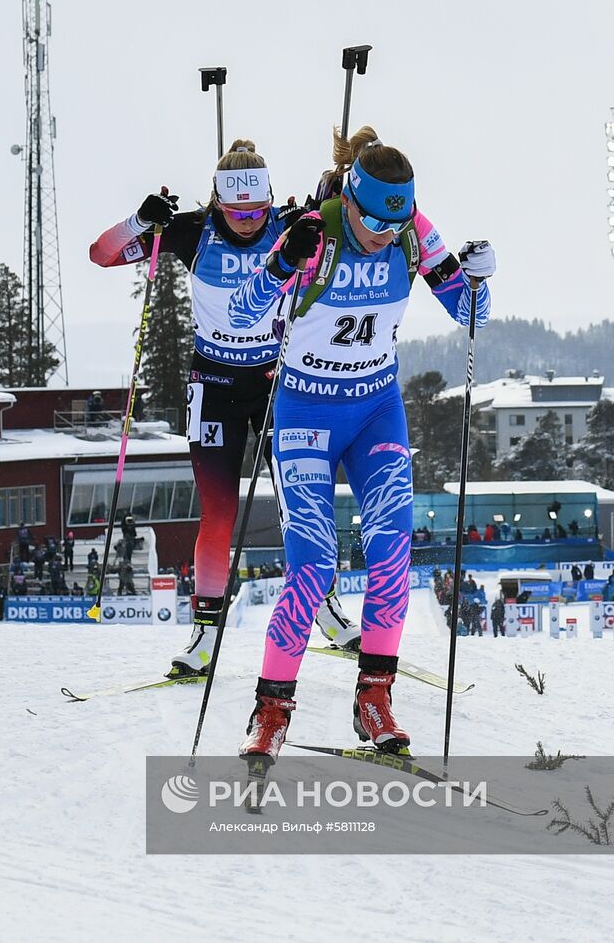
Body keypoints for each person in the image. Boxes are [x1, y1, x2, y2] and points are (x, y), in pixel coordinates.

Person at [229, 125, 494, 761]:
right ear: (349, 199)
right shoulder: (312, 233)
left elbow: (469, 312)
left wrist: (479, 279)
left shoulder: (411, 232)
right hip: (305, 414)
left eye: (393, 224)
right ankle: (272, 709)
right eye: (372, 222)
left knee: (392, 554)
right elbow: (241, 314)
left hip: (376, 411)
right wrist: (281, 263)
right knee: (313, 566)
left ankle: (374, 698)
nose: (382, 235)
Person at [90, 138, 360, 675]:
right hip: (213, 383)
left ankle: (325, 607)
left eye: (258, 211)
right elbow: (103, 254)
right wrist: (140, 220)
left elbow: (353, 234)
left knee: (302, 500)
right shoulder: (193, 231)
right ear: (217, 203)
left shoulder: (289, 225)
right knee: (218, 512)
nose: (249, 223)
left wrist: (338, 195)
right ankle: (205, 635)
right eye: (237, 213)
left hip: (279, 382)